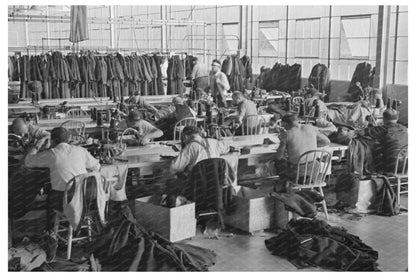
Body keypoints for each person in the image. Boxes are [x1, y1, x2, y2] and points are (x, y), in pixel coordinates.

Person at [24, 127, 101, 230]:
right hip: (86, 199)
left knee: (50, 196)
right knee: (61, 190)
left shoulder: (52, 154)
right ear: (68, 139)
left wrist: (38, 145)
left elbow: (28, 161)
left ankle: (51, 234)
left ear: (52, 140)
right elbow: (97, 167)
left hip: (64, 202)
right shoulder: (81, 150)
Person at [275, 113, 331, 190]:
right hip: (313, 171)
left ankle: (284, 191)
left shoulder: (286, 133)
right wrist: (311, 145)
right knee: (315, 162)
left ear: (285, 123)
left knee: (279, 164)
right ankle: (308, 185)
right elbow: (326, 141)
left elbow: (279, 156)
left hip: (297, 173)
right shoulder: (311, 128)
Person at [364, 109, 408, 173]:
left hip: (391, 165)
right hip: (405, 164)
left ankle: (371, 173)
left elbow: (365, 132)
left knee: (372, 152)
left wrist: (370, 123)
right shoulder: (404, 128)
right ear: (397, 118)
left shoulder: (384, 129)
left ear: (384, 119)